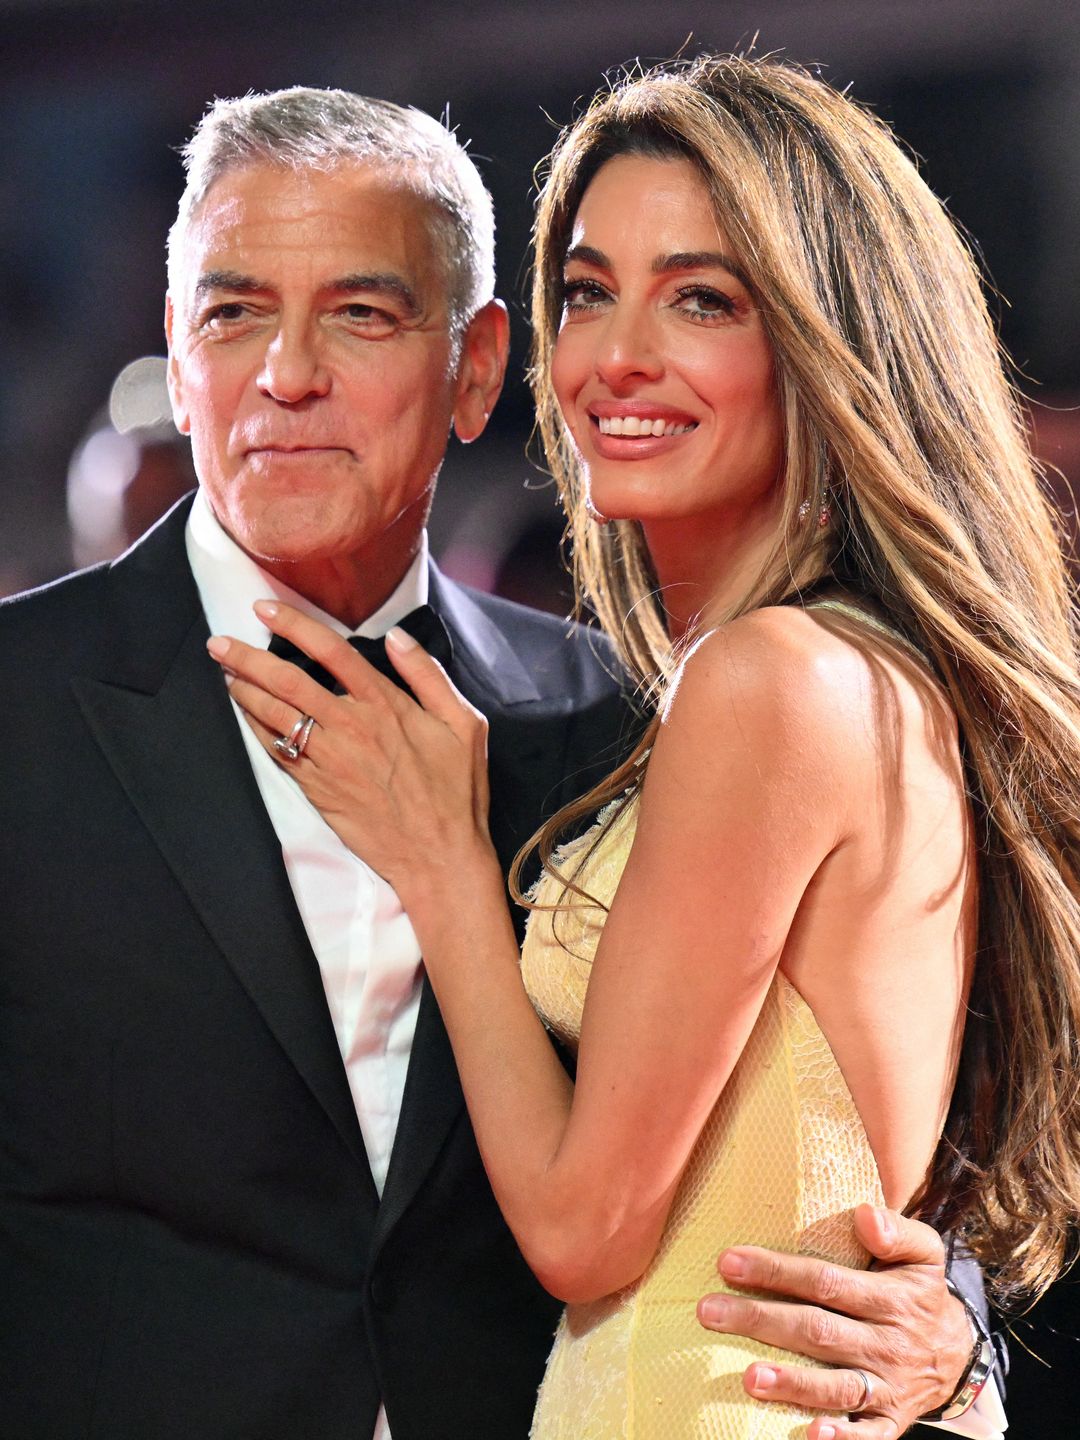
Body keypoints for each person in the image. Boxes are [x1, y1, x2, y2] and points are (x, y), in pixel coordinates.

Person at [0, 84, 998, 1440]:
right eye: (233, 314)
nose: (286, 374)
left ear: (477, 370)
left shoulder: (618, 720)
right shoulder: (21, 710)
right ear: (178, 355)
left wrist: (951, 1323)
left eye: (359, 314)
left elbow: (825, 1122)